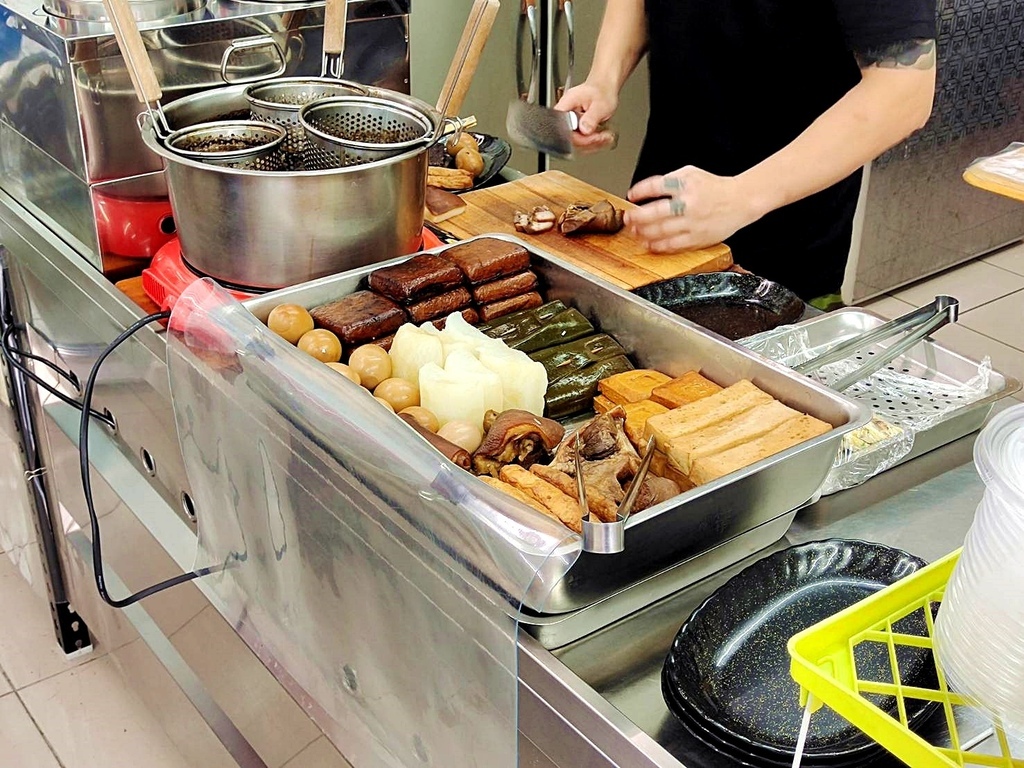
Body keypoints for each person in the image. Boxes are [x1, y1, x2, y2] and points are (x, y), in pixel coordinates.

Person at [555, 1, 938, 305]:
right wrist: (605, 78)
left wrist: (740, 197)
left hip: (781, 257)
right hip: (659, 221)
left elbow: (903, 93)